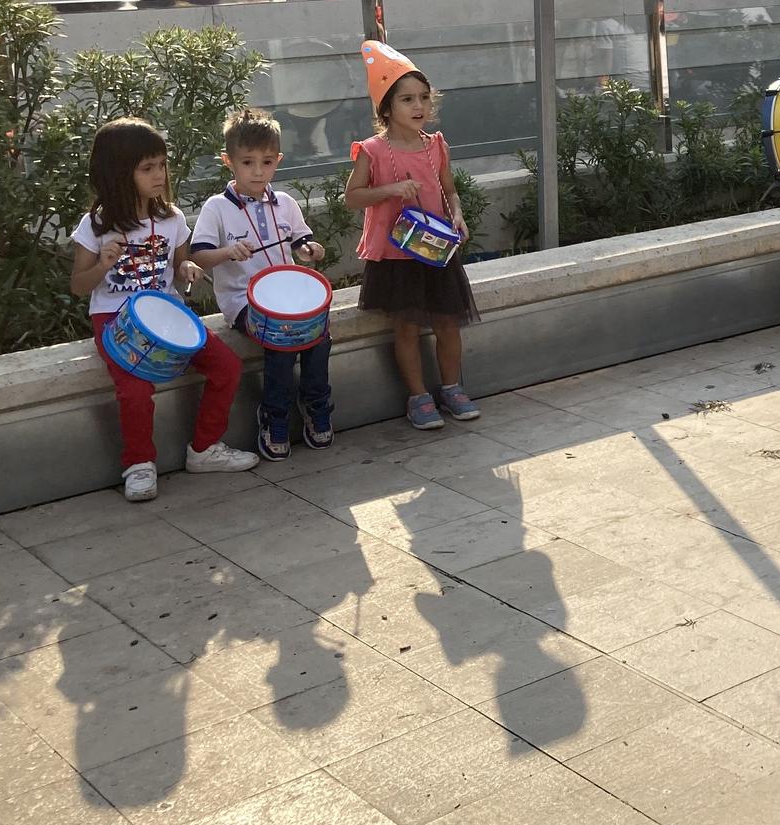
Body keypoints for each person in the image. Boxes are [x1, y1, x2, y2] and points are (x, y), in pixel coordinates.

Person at [70, 118, 259, 503]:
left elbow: (180, 266)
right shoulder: (95, 226)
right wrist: (102, 265)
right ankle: (139, 464)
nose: (159, 175)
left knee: (227, 366)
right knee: (135, 389)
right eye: (147, 168)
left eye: (161, 165)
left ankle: (205, 449)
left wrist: (187, 268)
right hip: (116, 318)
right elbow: (78, 286)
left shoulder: (171, 218)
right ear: (118, 173)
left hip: (167, 312)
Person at [345, 40, 481, 430]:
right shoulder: (371, 151)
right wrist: (388, 191)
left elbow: (449, 190)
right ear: (386, 107)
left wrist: (458, 215)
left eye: (423, 97)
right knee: (404, 326)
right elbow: (352, 197)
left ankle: (452, 388)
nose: (419, 106)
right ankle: (418, 396)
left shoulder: (435, 146)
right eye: (407, 99)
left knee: (448, 323)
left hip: (436, 249)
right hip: (395, 254)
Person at [190, 108, 333, 461]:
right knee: (281, 342)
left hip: (288, 297)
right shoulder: (216, 208)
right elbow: (200, 256)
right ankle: (275, 416)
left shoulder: (284, 203)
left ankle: (316, 404)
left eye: (267, 162)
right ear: (229, 161)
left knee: (321, 337)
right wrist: (227, 252)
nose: (258, 171)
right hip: (245, 302)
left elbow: (304, 244)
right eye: (248, 162)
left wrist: (310, 250)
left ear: (278, 160)